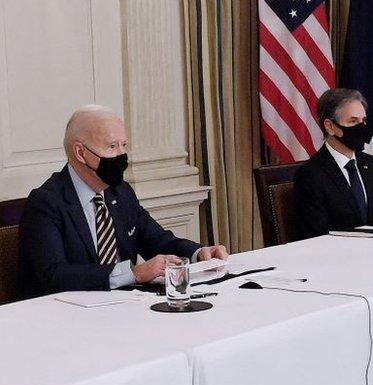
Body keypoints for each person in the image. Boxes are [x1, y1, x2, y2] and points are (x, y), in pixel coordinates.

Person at [19, 106, 228, 297]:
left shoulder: (121, 192)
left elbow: (157, 240)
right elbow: (54, 274)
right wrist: (132, 274)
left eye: (124, 145)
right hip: (68, 318)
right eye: (111, 146)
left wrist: (198, 253)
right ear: (80, 153)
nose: (121, 156)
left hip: (127, 306)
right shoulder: (46, 202)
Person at [293, 88, 373, 238]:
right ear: (330, 126)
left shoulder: (370, 164)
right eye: (353, 121)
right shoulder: (310, 174)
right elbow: (316, 235)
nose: (361, 128)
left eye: (363, 121)